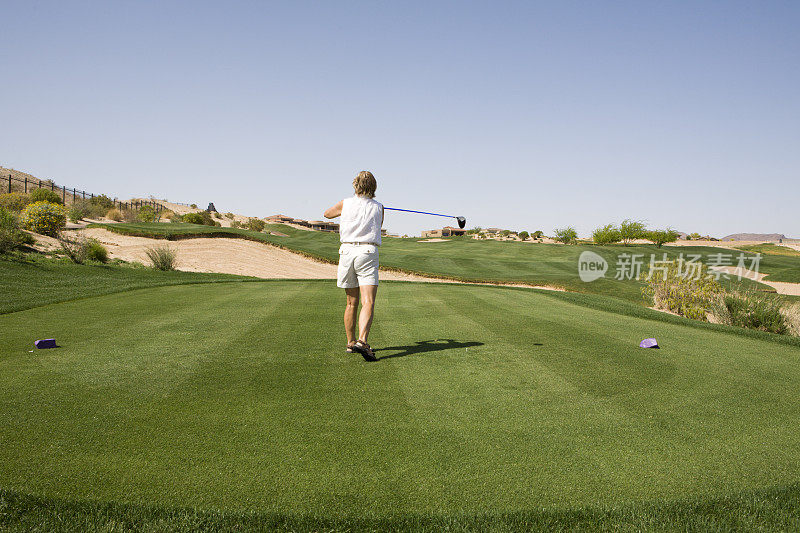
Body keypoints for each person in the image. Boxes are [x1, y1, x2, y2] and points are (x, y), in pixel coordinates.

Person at [324, 171, 384, 361]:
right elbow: (379, 223)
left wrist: (346, 210)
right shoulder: (379, 207)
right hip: (367, 252)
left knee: (351, 302)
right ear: (373, 187)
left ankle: (350, 343)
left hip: (347, 252)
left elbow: (327, 214)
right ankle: (362, 341)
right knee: (368, 302)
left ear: (355, 185)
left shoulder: (345, 203)